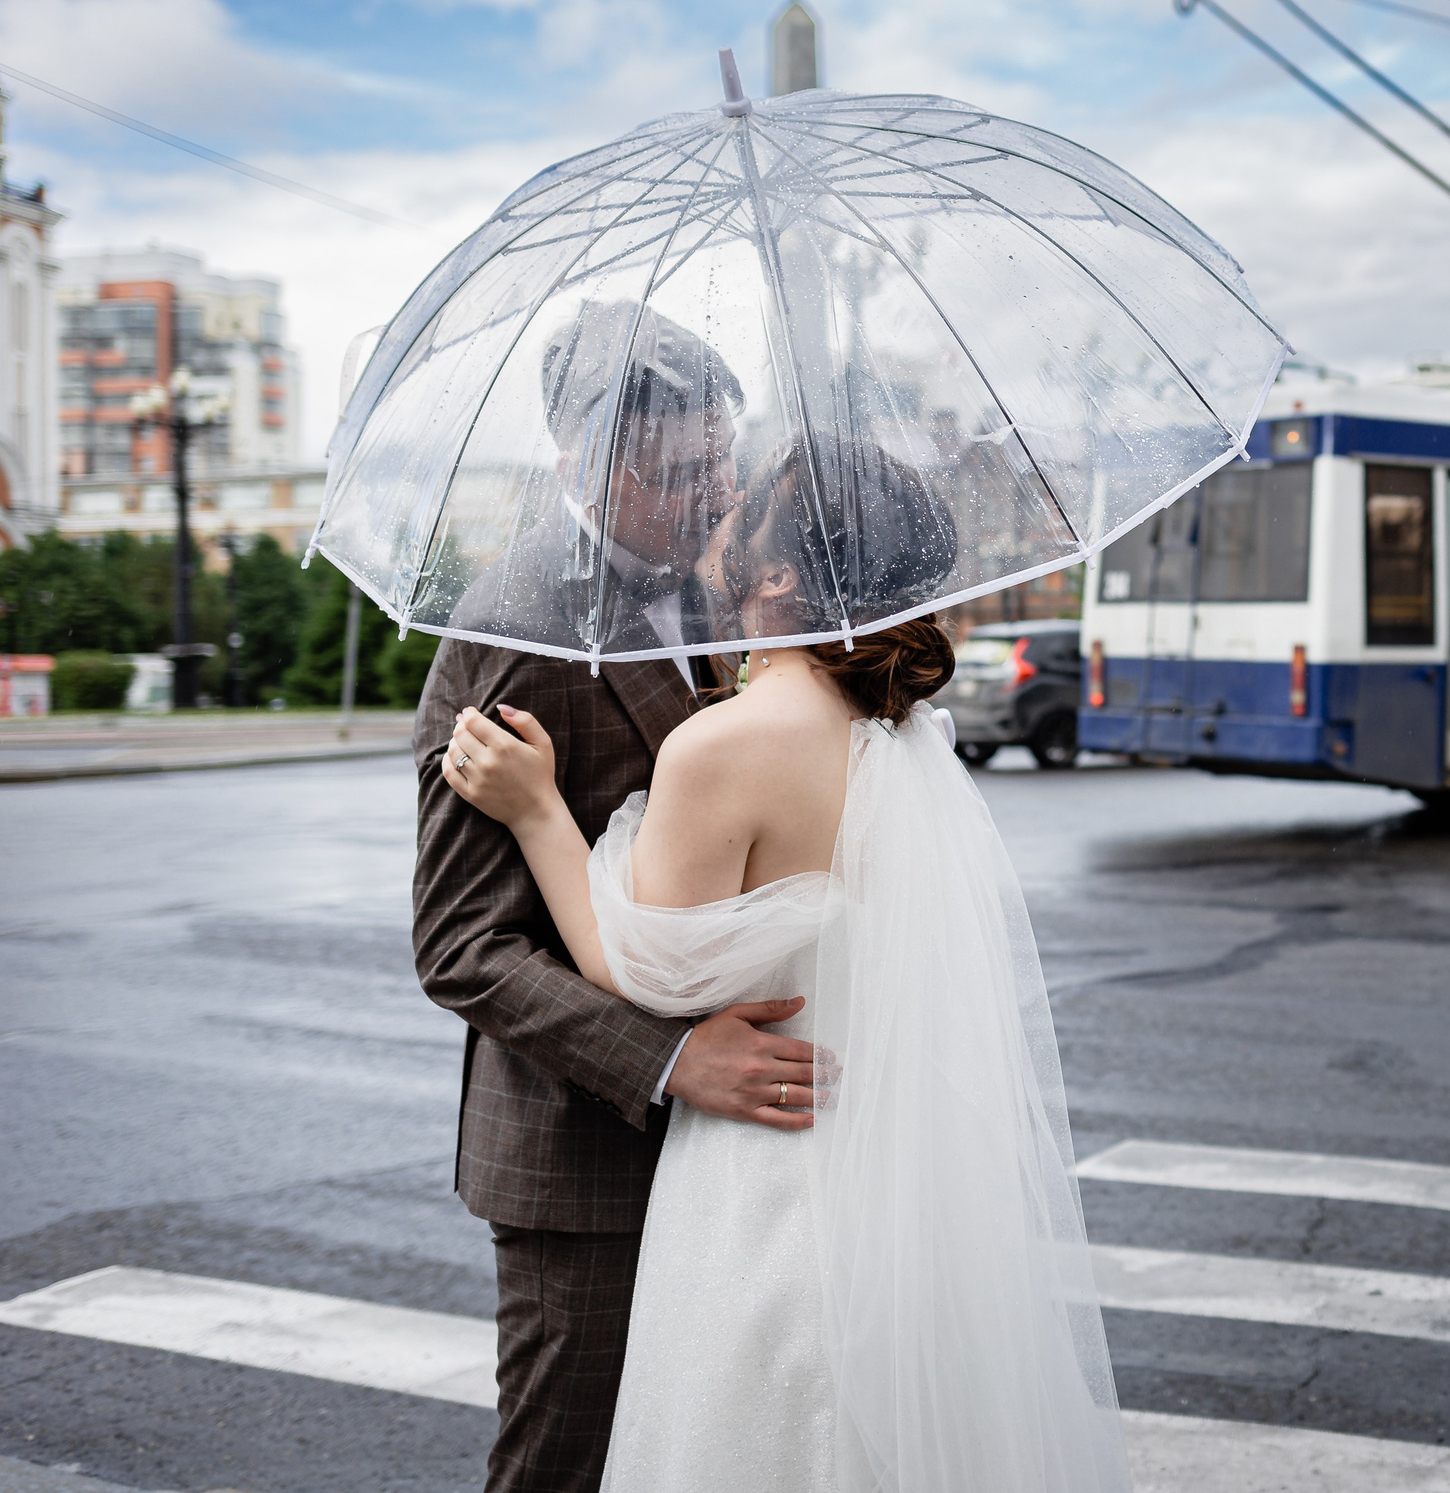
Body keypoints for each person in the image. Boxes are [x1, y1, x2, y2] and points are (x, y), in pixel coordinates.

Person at [438, 438, 1129, 1492]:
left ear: (776, 577)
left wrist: (537, 813)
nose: (720, 500)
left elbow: (642, 968)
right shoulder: (899, 730)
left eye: (743, 498)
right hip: (884, 1165)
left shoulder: (725, 744)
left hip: (762, 1179)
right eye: (700, 468)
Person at [412, 302, 795, 1493]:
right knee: (563, 1468)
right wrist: (675, 1061)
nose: (716, 494)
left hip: (748, 1151)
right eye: (679, 473)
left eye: (723, 457)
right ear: (581, 462)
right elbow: (463, 947)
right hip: (588, 1158)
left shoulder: (741, 589)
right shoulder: (518, 626)